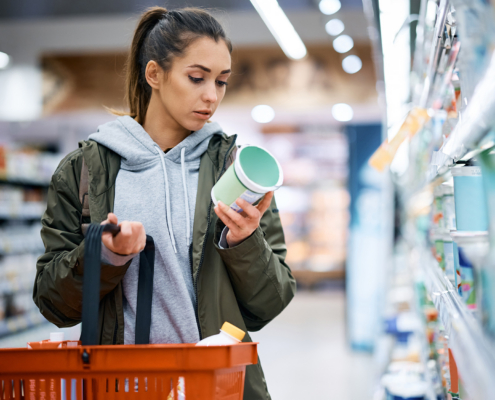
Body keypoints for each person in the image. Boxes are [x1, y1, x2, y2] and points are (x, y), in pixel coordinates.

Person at [33, 7, 296, 399]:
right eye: (196, 77)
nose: (211, 95)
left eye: (221, 81)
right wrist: (106, 257)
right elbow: (54, 303)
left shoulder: (234, 169)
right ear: (154, 74)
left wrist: (244, 244)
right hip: (122, 387)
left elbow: (270, 304)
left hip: (217, 387)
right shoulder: (85, 171)